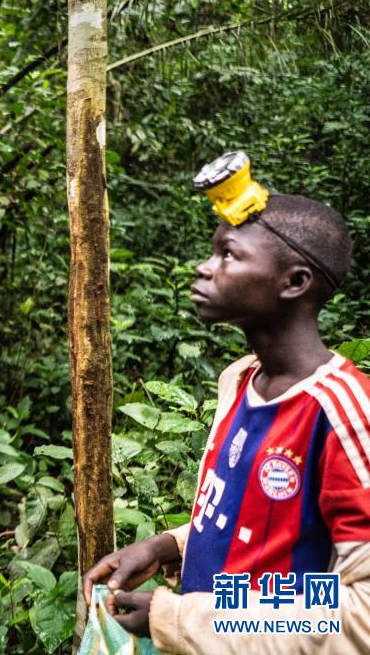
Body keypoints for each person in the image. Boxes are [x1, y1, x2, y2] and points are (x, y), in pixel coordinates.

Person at [83, 194, 370, 653]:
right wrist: (168, 547)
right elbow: (252, 521)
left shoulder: (344, 414)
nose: (204, 267)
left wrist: (173, 619)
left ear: (294, 282)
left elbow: (362, 617)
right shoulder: (239, 381)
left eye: (229, 255)